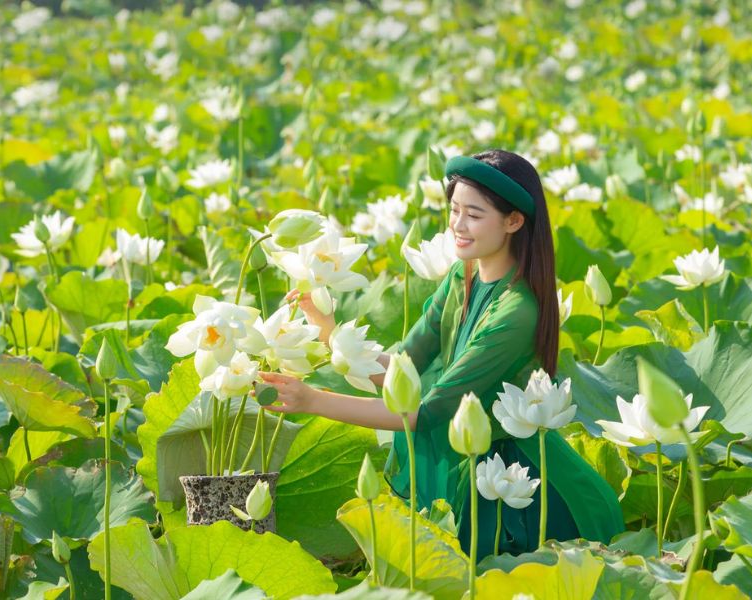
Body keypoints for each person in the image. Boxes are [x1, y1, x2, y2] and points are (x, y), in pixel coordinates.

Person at [258, 149, 624, 557]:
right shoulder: (460, 276)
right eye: (454, 210)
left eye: (474, 214)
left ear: (514, 221)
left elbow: (425, 413)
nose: (457, 226)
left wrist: (312, 399)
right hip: (460, 457)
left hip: (515, 485)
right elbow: (403, 368)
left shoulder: (517, 312)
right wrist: (329, 335)